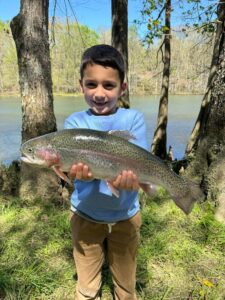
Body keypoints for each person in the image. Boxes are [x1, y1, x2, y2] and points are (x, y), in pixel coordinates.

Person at [64, 44, 148, 300]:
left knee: (126, 284)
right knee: (86, 284)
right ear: (81, 85)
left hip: (125, 216)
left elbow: (141, 161)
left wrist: (134, 181)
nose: (99, 93)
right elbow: (68, 171)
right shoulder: (74, 124)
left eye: (108, 86)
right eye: (91, 85)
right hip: (85, 216)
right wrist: (74, 174)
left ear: (122, 88)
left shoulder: (133, 119)